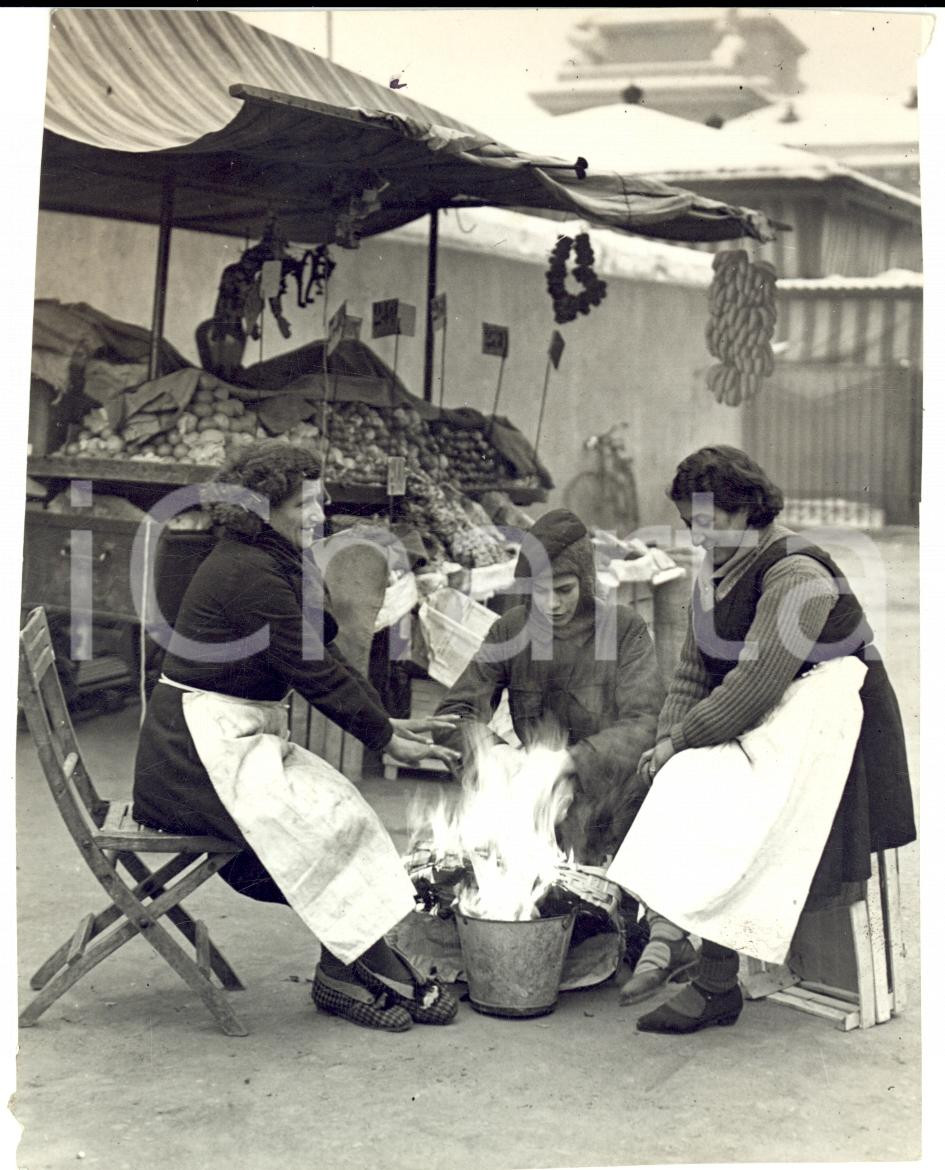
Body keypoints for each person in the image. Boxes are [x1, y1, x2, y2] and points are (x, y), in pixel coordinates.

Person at [133, 440, 462, 1033]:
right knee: (318, 829)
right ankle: (354, 971)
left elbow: (325, 654)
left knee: (345, 812)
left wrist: (387, 724)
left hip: (234, 737)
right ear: (262, 510)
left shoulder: (274, 555)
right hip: (192, 759)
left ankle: (345, 966)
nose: (318, 516)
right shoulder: (250, 572)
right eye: (302, 506)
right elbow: (312, 669)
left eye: (319, 502)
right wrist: (385, 738)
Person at [614, 445, 916, 1034]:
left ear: (748, 509)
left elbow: (755, 683)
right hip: (771, 715)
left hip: (834, 722)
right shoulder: (716, 570)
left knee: (719, 800)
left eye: (710, 523)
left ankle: (713, 980)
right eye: (689, 524)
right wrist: (669, 743)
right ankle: (681, 937)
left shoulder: (795, 572)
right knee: (671, 779)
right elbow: (693, 671)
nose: (698, 538)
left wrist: (686, 743)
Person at [433, 508, 664, 866]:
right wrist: (495, 754)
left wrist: (567, 761)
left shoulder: (623, 629)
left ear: (586, 583)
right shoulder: (510, 631)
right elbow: (452, 716)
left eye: (564, 590)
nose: (553, 604)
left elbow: (646, 724)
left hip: (610, 813)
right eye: (541, 591)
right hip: (533, 808)